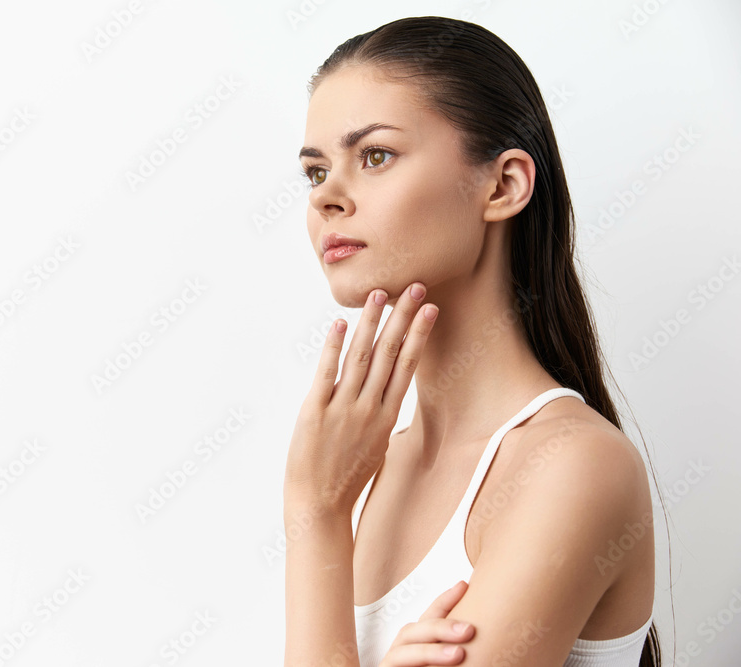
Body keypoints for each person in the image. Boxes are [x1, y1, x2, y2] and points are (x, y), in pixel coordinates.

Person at [282, 16, 662, 667]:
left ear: (504, 184)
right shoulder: (369, 465)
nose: (327, 199)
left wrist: (313, 516)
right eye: (316, 172)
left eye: (374, 156)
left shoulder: (573, 465)